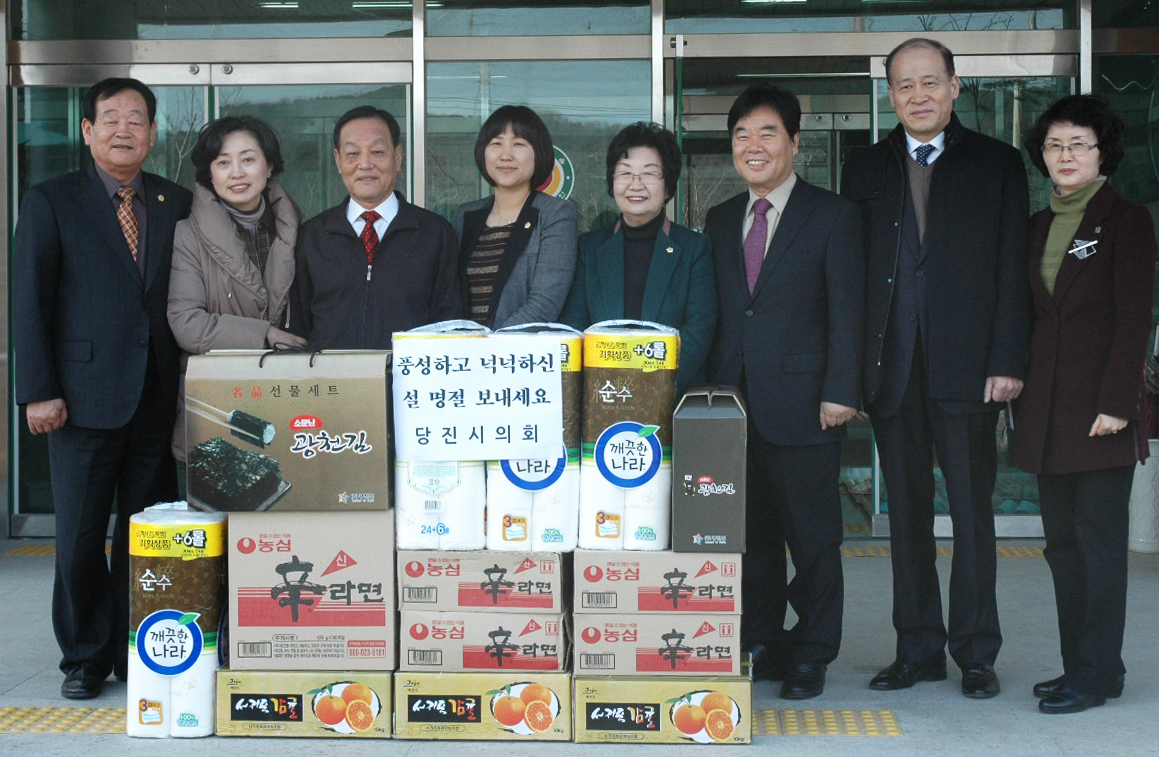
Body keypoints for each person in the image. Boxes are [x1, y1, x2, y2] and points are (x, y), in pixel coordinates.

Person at [841, 37, 1031, 699]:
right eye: (902, 85)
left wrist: (1007, 358)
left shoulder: (997, 163)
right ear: (888, 94)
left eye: (929, 82)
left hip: (970, 368)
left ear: (953, 86)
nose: (916, 95)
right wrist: (852, 372)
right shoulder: (863, 167)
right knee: (906, 519)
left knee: (973, 517)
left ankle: (976, 653)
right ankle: (916, 648)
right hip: (890, 369)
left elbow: (1012, 267)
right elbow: (853, 277)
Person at [11, 78, 192, 699]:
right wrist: (37, 390)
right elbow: (28, 302)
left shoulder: (177, 201)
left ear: (152, 131)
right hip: (79, 399)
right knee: (82, 536)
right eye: (109, 118)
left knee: (144, 534)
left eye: (136, 119)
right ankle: (84, 658)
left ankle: (133, 648)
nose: (123, 129)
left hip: (156, 397)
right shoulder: (50, 200)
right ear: (87, 130)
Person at [705, 83, 864, 699]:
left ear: (795, 143)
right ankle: (764, 639)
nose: (753, 145)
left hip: (806, 405)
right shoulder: (721, 219)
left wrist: (842, 389)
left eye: (767, 132)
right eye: (742, 134)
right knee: (754, 537)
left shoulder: (833, 214)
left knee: (815, 539)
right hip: (735, 408)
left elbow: (849, 309)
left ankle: (813, 652)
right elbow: (727, 314)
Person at [1012, 95, 1156, 714]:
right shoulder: (1038, 224)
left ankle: (1095, 675)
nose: (1065, 156)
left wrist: (1120, 402)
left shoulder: (1127, 220)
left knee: (1098, 549)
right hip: (1048, 412)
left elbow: (1134, 318)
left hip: (1101, 411)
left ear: (1103, 154)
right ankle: (1086, 667)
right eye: (1054, 146)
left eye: (1078, 145)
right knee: (1063, 548)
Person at [167, 115, 306, 460]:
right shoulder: (188, 234)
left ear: (269, 165)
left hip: (292, 397)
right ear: (209, 173)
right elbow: (186, 323)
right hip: (219, 404)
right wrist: (265, 334)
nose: (237, 172)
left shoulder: (299, 226)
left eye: (248, 159)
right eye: (223, 162)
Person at [560, 121, 716, 392]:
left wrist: (651, 388)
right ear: (612, 182)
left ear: (667, 185)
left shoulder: (695, 248)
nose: (635, 184)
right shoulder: (589, 247)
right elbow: (575, 327)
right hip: (603, 397)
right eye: (625, 174)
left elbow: (699, 330)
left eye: (649, 174)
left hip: (670, 397)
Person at [293, 105, 461, 348]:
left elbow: (449, 321)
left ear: (398, 156)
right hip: (334, 382)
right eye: (352, 154)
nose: (365, 164)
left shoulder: (435, 233)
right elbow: (300, 325)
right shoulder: (313, 236)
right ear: (338, 161)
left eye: (377, 151)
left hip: (408, 381)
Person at [453, 105, 578, 328]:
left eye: (519, 144)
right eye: (496, 143)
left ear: (538, 153)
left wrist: (494, 346)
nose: (505, 155)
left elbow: (545, 303)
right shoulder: (466, 215)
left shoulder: (556, 214)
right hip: (464, 352)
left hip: (519, 355)